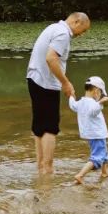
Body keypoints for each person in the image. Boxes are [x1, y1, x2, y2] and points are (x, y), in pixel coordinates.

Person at [26, 12, 91, 175]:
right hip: (46, 83)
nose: (81, 35)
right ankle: (48, 168)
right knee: (50, 127)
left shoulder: (53, 27)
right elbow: (51, 58)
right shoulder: (63, 33)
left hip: (33, 78)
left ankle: (40, 167)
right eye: (82, 30)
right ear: (76, 21)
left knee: (39, 127)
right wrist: (65, 83)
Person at [69, 75, 108, 185]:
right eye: (100, 93)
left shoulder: (81, 102)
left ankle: (105, 171)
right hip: (97, 134)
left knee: (104, 152)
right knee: (97, 157)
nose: (100, 95)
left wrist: (71, 96)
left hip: (92, 134)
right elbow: (93, 111)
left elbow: (73, 106)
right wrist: (101, 102)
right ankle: (80, 175)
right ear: (96, 91)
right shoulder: (93, 104)